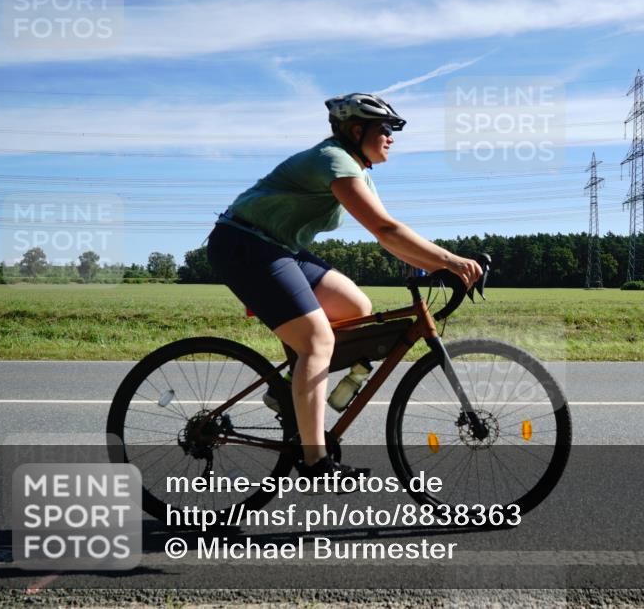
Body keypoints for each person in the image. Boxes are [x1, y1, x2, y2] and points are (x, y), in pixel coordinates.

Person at [205, 93, 482, 480]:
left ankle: (287, 389)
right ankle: (315, 461)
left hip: (281, 248)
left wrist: (441, 268)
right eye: (384, 129)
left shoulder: (357, 170)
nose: (391, 138)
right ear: (356, 131)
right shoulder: (333, 159)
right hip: (244, 244)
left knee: (356, 308)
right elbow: (385, 229)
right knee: (317, 341)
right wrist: (451, 261)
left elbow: (390, 239)